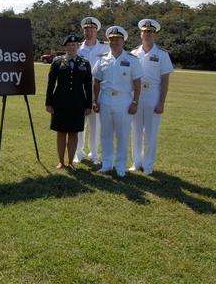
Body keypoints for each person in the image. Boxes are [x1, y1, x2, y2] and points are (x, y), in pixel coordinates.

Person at [92, 26, 142, 177]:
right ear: (109, 41)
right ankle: (107, 164)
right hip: (105, 98)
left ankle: (120, 166)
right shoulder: (102, 59)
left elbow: (138, 83)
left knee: (122, 134)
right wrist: (95, 100)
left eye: (117, 39)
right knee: (105, 134)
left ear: (123, 41)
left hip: (124, 100)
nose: (114, 42)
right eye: (112, 39)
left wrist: (135, 102)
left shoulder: (132, 60)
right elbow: (96, 81)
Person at [130, 19, 174, 175]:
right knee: (135, 131)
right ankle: (136, 162)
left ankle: (148, 165)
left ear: (154, 35)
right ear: (140, 34)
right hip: (136, 95)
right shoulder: (133, 53)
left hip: (152, 95)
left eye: (150, 32)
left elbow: (165, 81)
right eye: (145, 31)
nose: (147, 34)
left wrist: (161, 102)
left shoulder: (162, 54)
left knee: (150, 133)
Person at [46, 34, 93, 170]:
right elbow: (51, 84)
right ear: (65, 47)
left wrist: (88, 105)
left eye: (74, 45)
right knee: (61, 132)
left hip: (78, 104)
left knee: (74, 133)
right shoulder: (57, 62)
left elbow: (88, 87)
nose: (71, 47)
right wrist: (48, 103)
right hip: (59, 103)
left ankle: (71, 161)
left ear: (78, 46)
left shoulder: (85, 63)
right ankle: (61, 161)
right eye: (69, 45)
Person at [75, 16, 109, 165]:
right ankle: (78, 153)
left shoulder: (104, 48)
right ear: (83, 32)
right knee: (79, 123)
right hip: (80, 91)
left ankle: (94, 154)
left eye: (91, 30)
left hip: (97, 91)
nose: (88, 32)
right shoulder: (77, 48)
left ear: (96, 31)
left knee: (96, 125)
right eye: (86, 30)